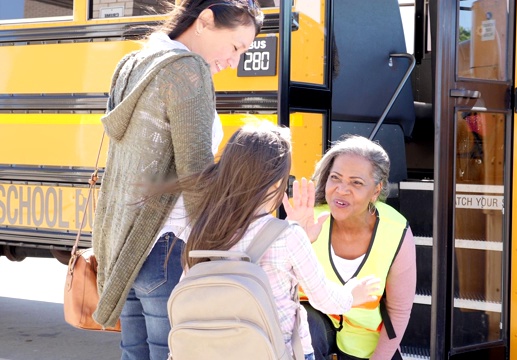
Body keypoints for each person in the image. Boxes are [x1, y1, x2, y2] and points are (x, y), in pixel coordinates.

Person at [91, 1, 264, 359]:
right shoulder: (188, 70)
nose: (234, 62)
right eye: (235, 47)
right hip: (167, 247)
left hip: (123, 245)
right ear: (205, 21)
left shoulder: (135, 62)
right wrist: (218, 249)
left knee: (134, 354)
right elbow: (196, 172)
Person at [173, 122, 381, 360]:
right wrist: (352, 294)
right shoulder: (288, 235)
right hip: (275, 352)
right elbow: (325, 299)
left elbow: (188, 291)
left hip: (214, 352)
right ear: (274, 184)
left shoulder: (203, 229)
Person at [283, 135, 417, 360]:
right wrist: (296, 238)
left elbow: (398, 312)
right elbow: (278, 289)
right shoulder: (309, 220)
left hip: (366, 342)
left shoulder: (396, 230)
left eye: (356, 182)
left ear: (376, 191)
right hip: (313, 332)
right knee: (308, 323)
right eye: (335, 178)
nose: (341, 189)